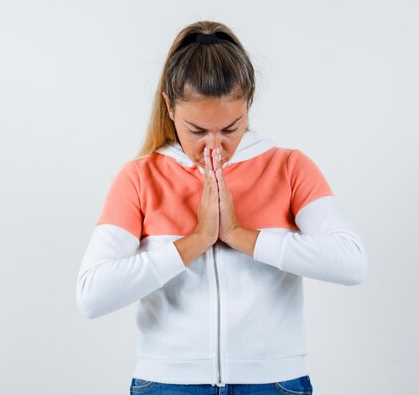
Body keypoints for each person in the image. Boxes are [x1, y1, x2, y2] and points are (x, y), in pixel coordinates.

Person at [76, 20, 368, 395]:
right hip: (167, 383)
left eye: (230, 128)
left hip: (273, 383)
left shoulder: (289, 167)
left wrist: (240, 235)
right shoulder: (139, 177)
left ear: (249, 103)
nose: (214, 146)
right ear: (168, 106)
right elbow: (92, 295)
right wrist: (196, 241)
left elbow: (352, 262)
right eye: (197, 131)